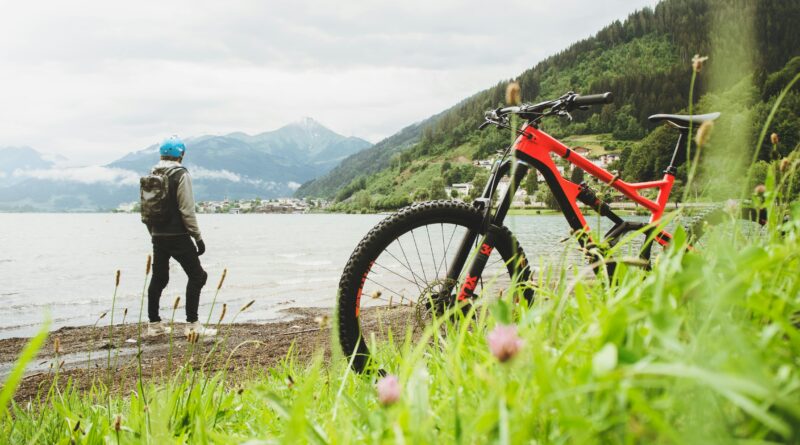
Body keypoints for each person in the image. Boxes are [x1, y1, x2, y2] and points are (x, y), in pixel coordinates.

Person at [144, 136, 217, 338]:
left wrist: (153, 233)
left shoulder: (152, 173)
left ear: (161, 154)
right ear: (181, 155)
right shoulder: (180, 174)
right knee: (198, 276)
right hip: (178, 235)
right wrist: (198, 238)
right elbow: (187, 210)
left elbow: (147, 209)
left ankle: (154, 324)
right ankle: (192, 324)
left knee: (159, 278)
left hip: (157, 234)